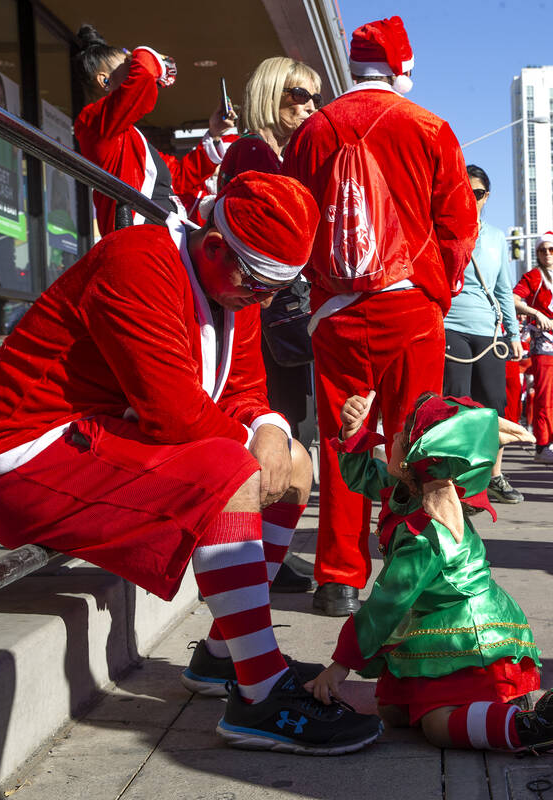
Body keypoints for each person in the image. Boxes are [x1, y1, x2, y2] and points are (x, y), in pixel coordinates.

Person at [0, 172, 382, 754]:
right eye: (256, 285)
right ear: (212, 246)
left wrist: (269, 431)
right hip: (24, 459)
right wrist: (252, 446)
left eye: (273, 291)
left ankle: (221, 656)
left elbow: (246, 391)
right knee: (229, 472)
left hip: (95, 435)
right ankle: (260, 699)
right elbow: (175, 416)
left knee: (296, 466)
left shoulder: (236, 279)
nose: (260, 300)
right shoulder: (136, 260)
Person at [282, 16, 478, 617]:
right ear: (402, 67)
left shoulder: (312, 131)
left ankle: (338, 577)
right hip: (410, 302)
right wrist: (437, 291)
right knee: (415, 438)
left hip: (336, 310)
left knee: (347, 441)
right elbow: (459, 224)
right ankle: (412, 562)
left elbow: (294, 218)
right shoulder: (428, 127)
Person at [307, 391, 553, 755]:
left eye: (402, 434)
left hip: (469, 639)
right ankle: (495, 710)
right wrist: (351, 433)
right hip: (437, 627)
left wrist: (340, 666)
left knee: (437, 727)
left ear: (415, 461)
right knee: (393, 711)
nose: (391, 435)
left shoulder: (427, 536)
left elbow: (385, 605)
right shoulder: (409, 491)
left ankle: (542, 722)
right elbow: (364, 476)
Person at [209, 56, 324, 592]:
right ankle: (253, 553)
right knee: (276, 428)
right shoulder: (253, 149)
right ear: (271, 92)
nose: (310, 105)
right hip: (265, 309)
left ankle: (262, 555)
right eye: (299, 94)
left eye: (313, 96)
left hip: (274, 308)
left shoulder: (276, 152)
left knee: (290, 429)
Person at [73, 25, 234, 235]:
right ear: (105, 80)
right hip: (140, 239)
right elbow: (141, 79)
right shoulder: (91, 122)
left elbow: (179, 176)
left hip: (163, 235)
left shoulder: (129, 135)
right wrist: (143, 54)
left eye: (132, 63)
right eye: (128, 64)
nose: (133, 66)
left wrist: (213, 133)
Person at [443, 165, 524, 503]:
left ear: (486, 196)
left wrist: (514, 333)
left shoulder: (494, 237)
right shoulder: (444, 230)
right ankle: (452, 481)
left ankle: (494, 475)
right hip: (452, 325)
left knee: (493, 406)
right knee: (457, 402)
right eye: (465, 191)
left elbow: (504, 288)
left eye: (477, 193)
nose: (470, 198)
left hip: (490, 331)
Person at [513, 233, 553, 464]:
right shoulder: (535, 276)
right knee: (545, 397)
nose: (547, 253)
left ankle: (550, 439)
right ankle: (542, 445)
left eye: (552, 249)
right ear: (537, 254)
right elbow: (513, 299)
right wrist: (536, 313)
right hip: (546, 343)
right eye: (542, 250)